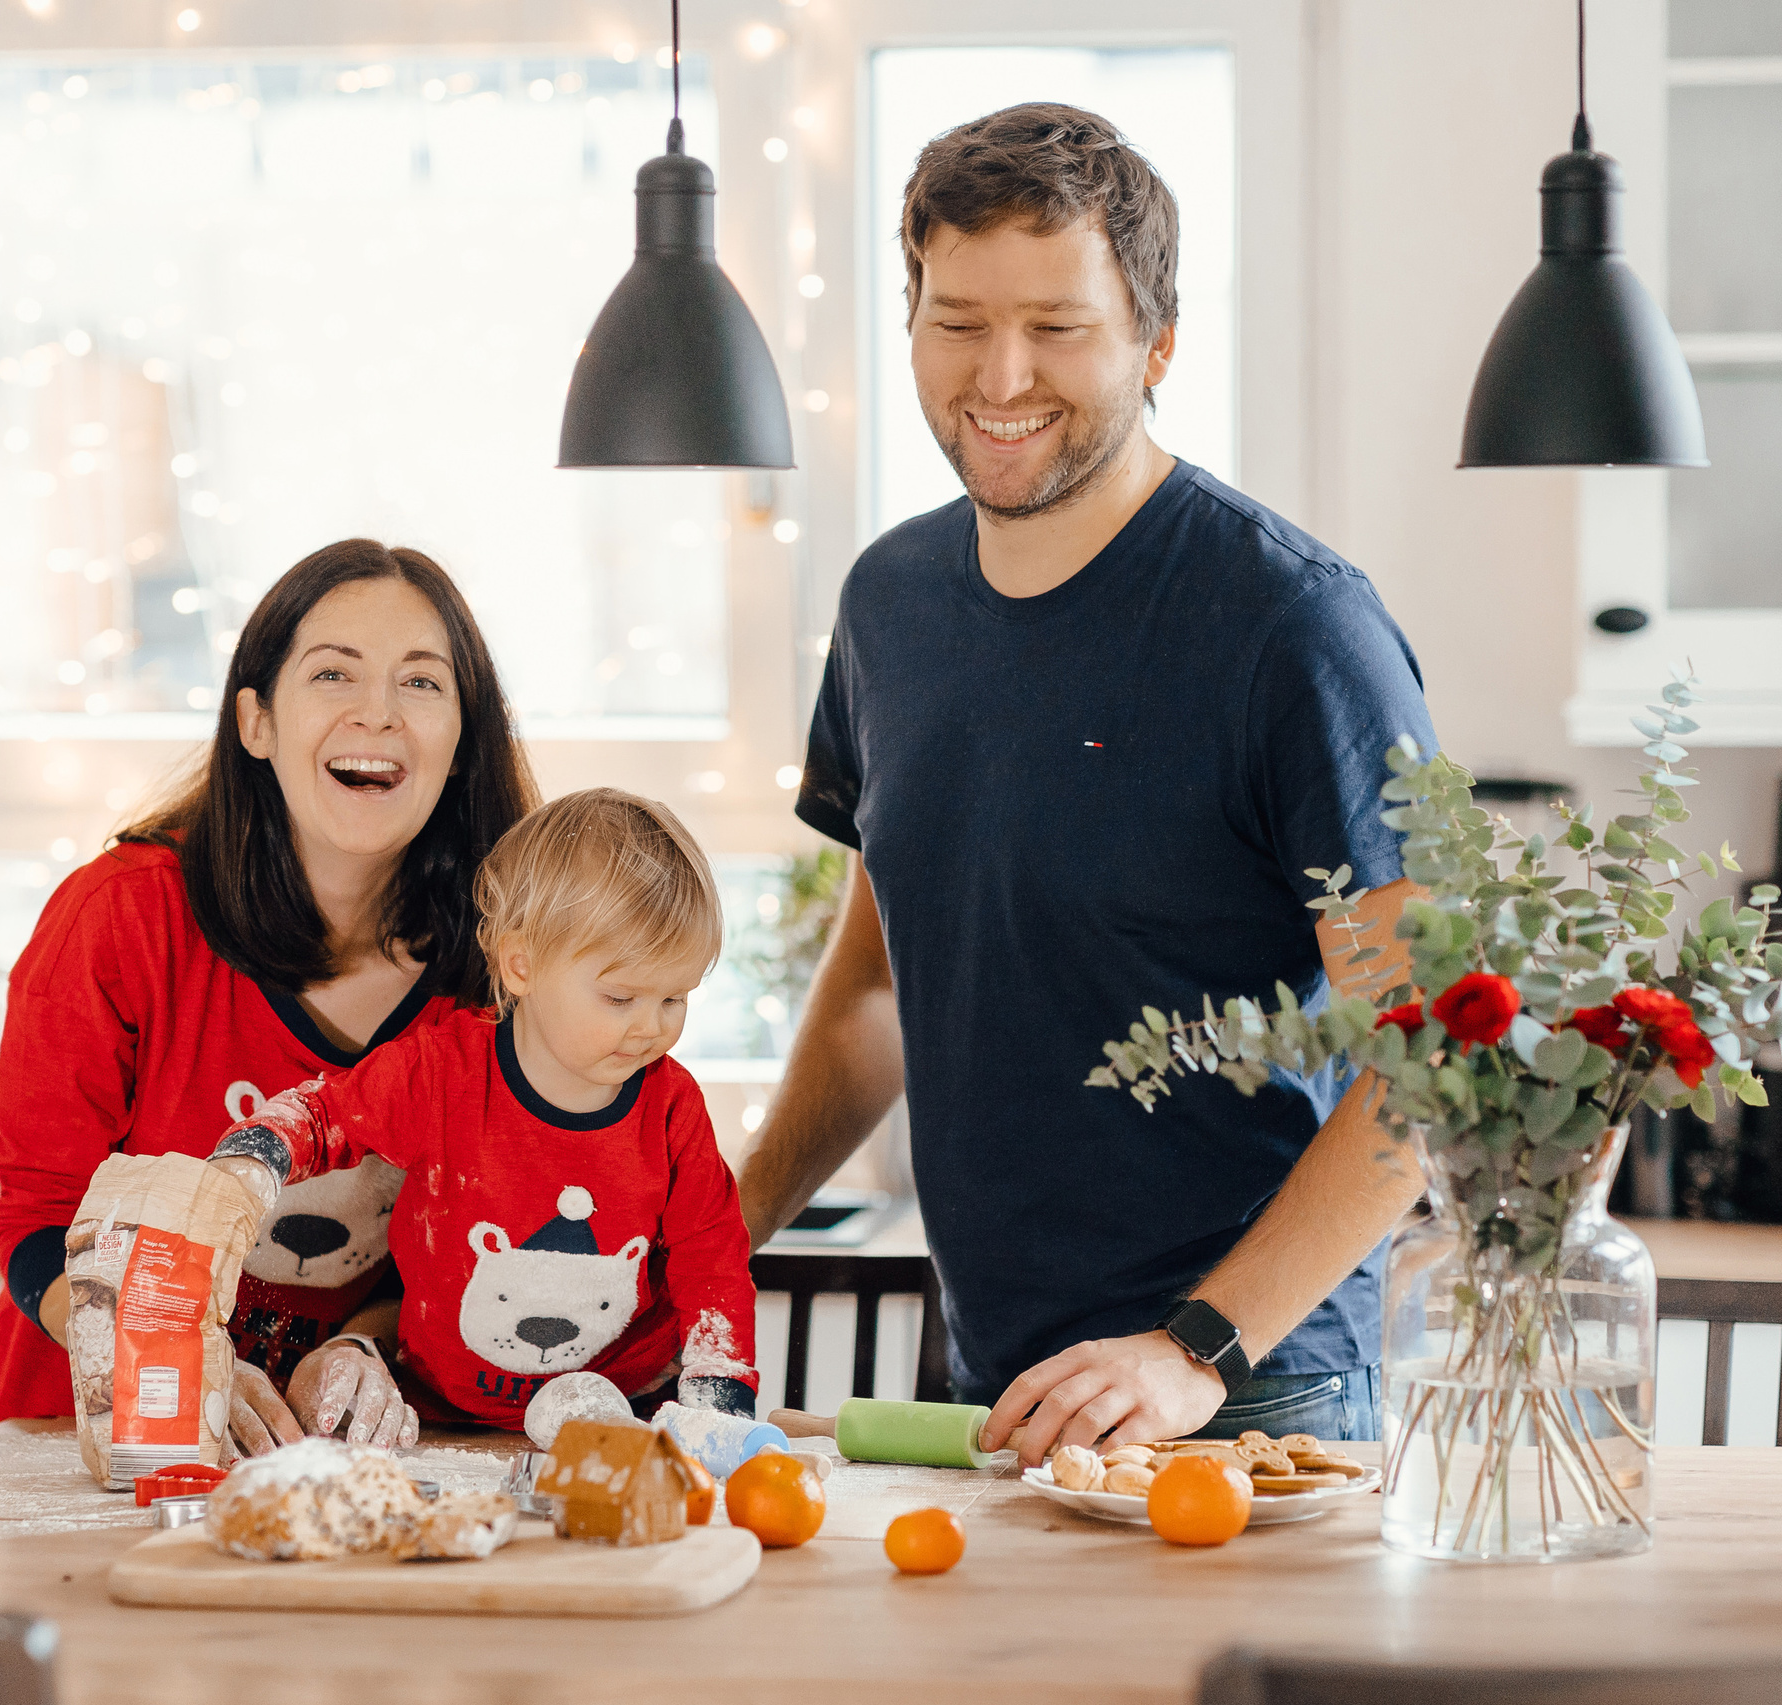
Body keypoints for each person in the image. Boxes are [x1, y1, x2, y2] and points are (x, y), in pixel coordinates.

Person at [735, 103, 1436, 1461]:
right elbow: (878, 987)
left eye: (1056, 326)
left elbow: (1433, 1053)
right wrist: (722, 1227)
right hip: (1003, 1383)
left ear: (1156, 343)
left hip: (1249, 1390)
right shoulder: (889, 604)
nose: (1000, 374)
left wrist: (1195, 1350)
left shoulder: (1294, 628)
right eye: (957, 320)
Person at [0, 538, 537, 1453]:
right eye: (333, 674)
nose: (378, 712)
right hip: (62, 1438)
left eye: (422, 682)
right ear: (257, 721)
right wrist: (174, 1353)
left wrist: (354, 1349)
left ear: (462, 741)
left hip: (310, 1451)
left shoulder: (508, 972)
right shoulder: (120, 918)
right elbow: (41, 1222)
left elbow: (457, 1248)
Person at [202, 788, 758, 1428]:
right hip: (437, 1409)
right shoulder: (443, 1072)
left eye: (674, 999)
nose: (651, 1028)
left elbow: (712, 1255)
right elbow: (330, 1115)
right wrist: (261, 1151)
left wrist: (719, 1390)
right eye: (620, 998)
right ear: (521, 965)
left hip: (620, 1409)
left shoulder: (671, 1107)